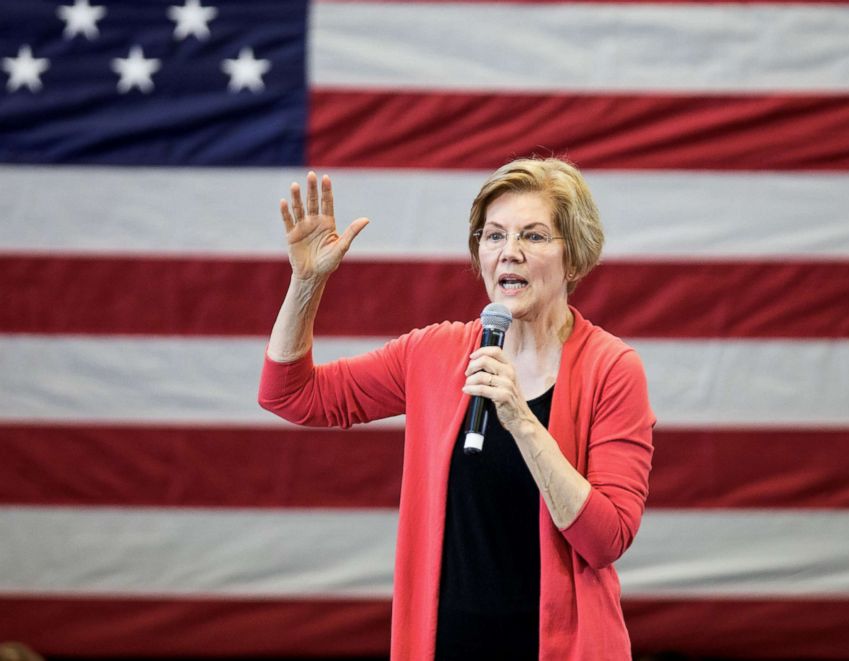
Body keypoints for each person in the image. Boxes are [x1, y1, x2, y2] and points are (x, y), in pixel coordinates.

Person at [258, 157, 656, 660]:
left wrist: (521, 421)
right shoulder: (434, 353)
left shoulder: (612, 369)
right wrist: (306, 282)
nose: (509, 253)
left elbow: (606, 540)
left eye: (532, 237)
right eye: (493, 236)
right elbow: (291, 395)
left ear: (573, 258)